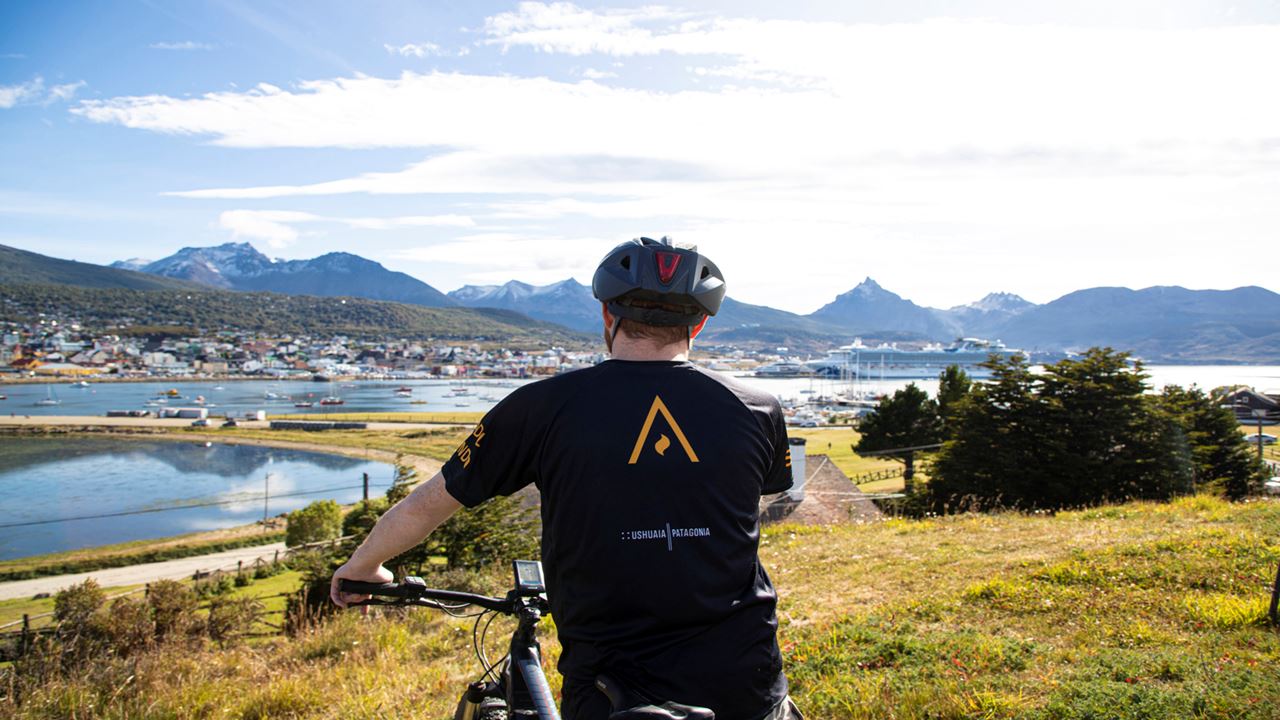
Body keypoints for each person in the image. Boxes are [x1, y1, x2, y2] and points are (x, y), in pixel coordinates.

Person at [331, 237, 801, 720]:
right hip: (749, 681)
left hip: (610, 688)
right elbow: (751, 501)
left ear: (606, 314)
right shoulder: (758, 407)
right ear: (699, 324)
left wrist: (365, 565)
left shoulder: (539, 406)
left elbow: (426, 505)